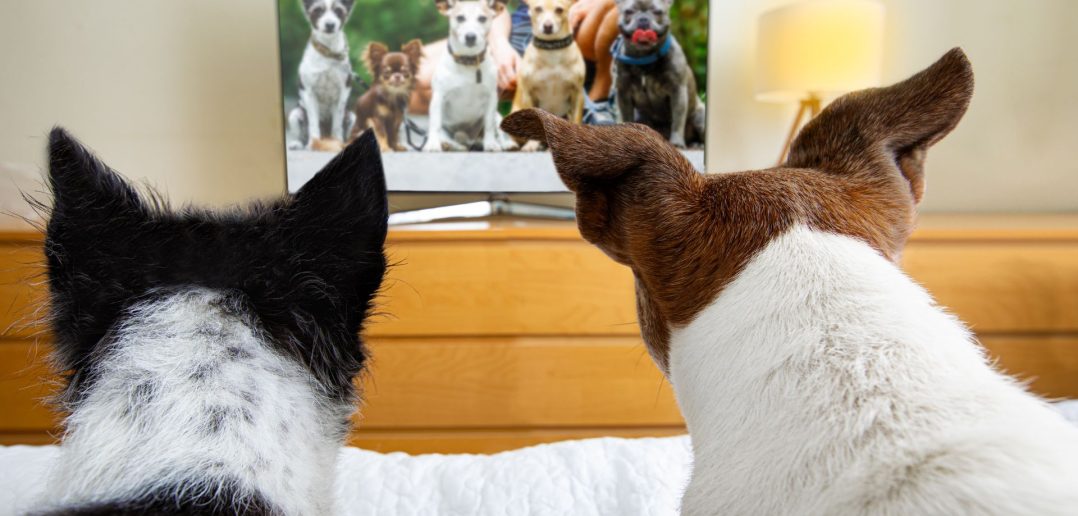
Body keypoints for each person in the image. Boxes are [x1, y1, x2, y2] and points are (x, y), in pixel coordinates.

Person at [410, 0, 618, 124]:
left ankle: (597, 101)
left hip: (586, 27)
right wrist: (499, 45)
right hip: (522, 27)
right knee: (416, 77)